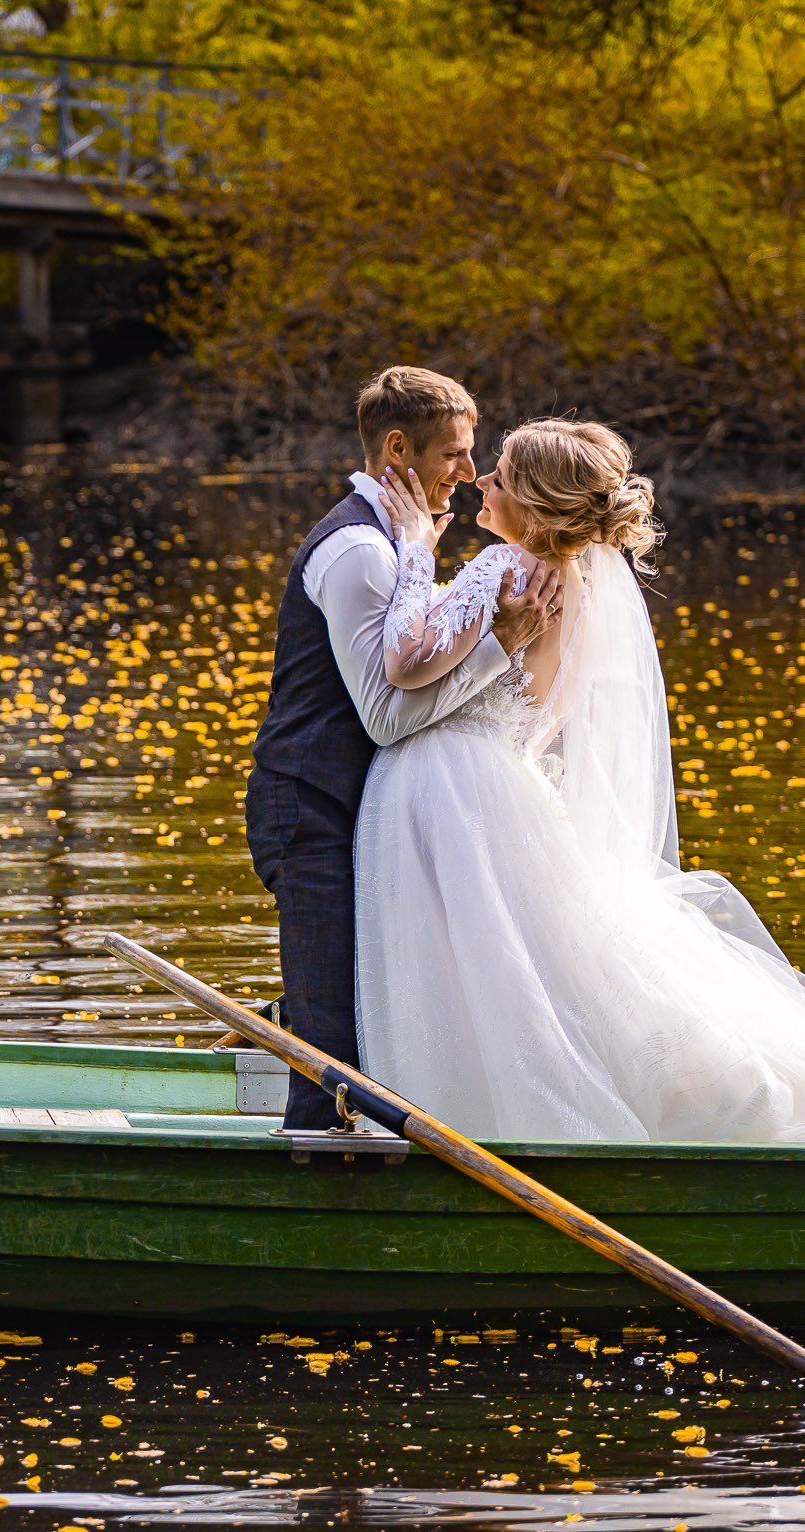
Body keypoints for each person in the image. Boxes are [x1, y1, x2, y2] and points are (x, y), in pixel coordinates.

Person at [351, 417, 805, 1142]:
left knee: (500, 975)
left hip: (470, 793)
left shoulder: (504, 568)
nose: (482, 479)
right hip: (509, 784)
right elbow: (538, 713)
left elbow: (404, 658)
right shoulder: (583, 590)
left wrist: (416, 549)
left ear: (538, 505)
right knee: (550, 970)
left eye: (503, 473)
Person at [245, 368, 562, 1130]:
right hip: (311, 807)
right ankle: (314, 1174)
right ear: (398, 448)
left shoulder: (402, 542)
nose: (467, 471)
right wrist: (499, 645)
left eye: (472, 453)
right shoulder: (360, 551)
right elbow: (387, 716)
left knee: (368, 1020)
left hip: (355, 808)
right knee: (327, 1049)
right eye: (453, 453)